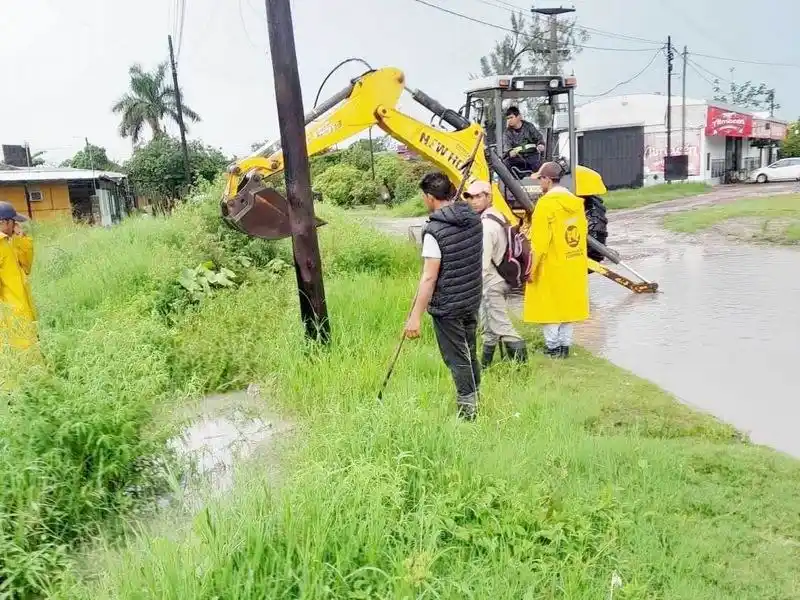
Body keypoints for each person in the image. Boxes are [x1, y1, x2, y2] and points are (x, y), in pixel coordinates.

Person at [404, 172, 483, 420]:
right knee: (470, 351)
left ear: (429, 197)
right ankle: (476, 396)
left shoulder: (434, 230)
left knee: (457, 357)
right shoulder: (473, 219)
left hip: (448, 305)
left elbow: (429, 277)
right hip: (471, 298)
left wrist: (414, 317)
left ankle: (468, 412)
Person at [524, 162, 589, 358]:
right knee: (567, 308)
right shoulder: (576, 204)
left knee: (550, 308)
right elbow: (582, 233)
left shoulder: (545, 205)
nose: (539, 184)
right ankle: (565, 346)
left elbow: (539, 243)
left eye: (540, 179)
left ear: (547, 180)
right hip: (572, 264)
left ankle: (552, 348)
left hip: (551, 265)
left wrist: (531, 269)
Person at [463, 179, 527, 365]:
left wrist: (472, 288)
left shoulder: (486, 225)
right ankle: (486, 365)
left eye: (478, 196)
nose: (473, 201)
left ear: (488, 197)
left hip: (492, 281)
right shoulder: (496, 215)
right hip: (501, 278)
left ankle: (521, 370)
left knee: (501, 325)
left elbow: (481, 262)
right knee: (489, 326)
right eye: (470, 197)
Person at [0, 201, 37, 350]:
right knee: (21, 349)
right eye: (13, 221)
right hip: (10, 311)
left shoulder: (10, 241)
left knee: (31, 344)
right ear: (3, 222)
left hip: (22, 305)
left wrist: (22, 238)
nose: (16, 225)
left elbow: (27, 266)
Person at [503, 106, 546, 175]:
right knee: (506, 163)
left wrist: (540, 145)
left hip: (532, 156)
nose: (509, 120)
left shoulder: (529, 127)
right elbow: (507, 148)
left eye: (511, 117)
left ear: (519, 117)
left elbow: (539, 138)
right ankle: (512, 183)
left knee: (540, 164)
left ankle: (538, 179)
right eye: (507, 118)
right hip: (518, 159)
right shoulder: (507, 133)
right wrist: (510, 152)